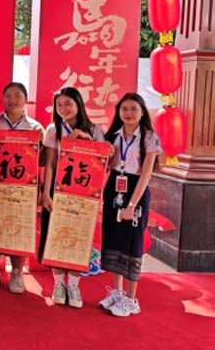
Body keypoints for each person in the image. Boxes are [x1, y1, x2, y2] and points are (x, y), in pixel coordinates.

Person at [40, 87, 107, 308]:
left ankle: (74, 286)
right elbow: (50, 164)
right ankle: (59, 284)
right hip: (58, 192)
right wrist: (46, 193)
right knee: (56, 237)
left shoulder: (95, 130)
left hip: (83, 194)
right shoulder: (54, 129)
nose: (63, 109)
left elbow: (104, 160)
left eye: (68, 103)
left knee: (80, 238)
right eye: (59, 105)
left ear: (78, 104)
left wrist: (87, 140)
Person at [0, 82, 44, 294]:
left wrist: (41, 143)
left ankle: (16, 272)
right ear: (3, 98)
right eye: (8, 95)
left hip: (24, 189)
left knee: (20, 227)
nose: (13, 100)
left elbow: (43, 161)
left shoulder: (36, 127)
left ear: (25, 99)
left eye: (17, 95)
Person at [99, 93, 160, 317]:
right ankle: (117, 292)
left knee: (133, 242)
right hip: (114, 187)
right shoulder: (112, 135)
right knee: (113, 239)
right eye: (124, 109)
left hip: (136, 190)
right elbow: (104, 166)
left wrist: (132, 205)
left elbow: (146, 174)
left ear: (142, 112)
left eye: (133, 109)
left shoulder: (149, 137)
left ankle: (131, 299)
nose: (128, 113)